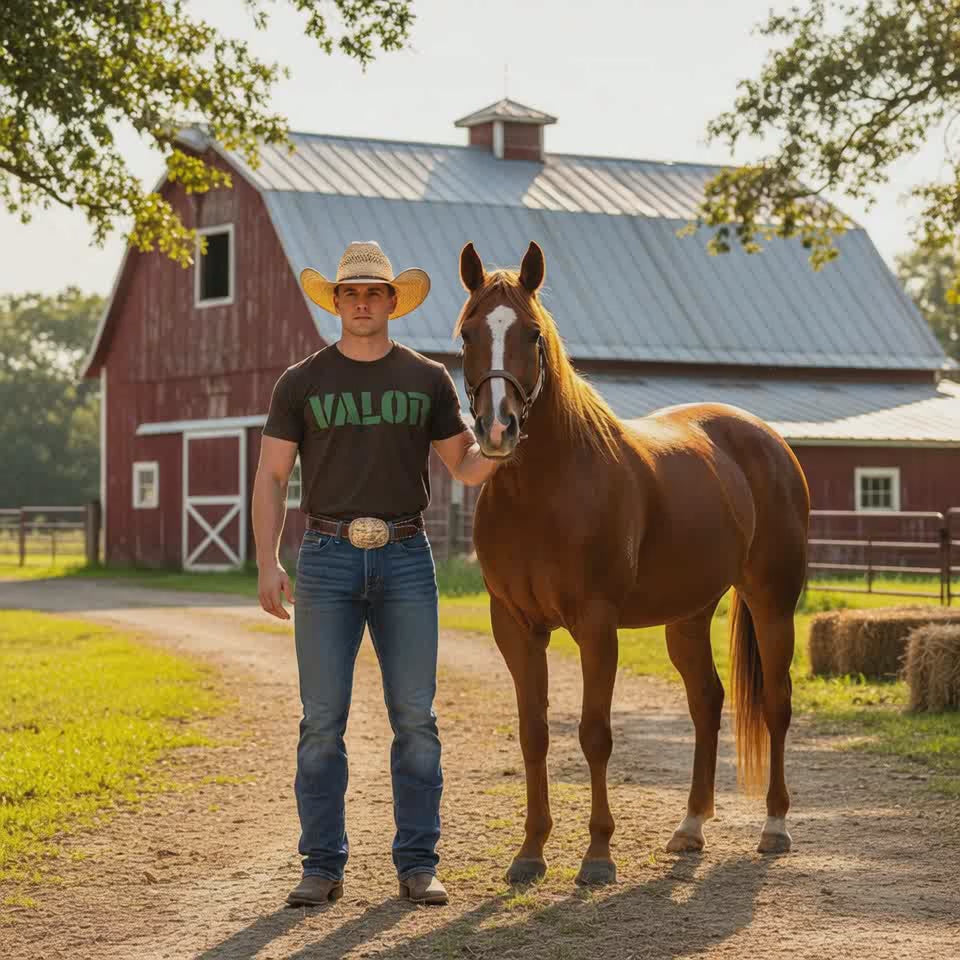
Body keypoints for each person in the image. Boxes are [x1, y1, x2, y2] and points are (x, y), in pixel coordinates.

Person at [252, 241, 498, 907]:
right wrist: (268, 561)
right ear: (335, 301)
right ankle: (321, 866)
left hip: (406, 557)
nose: (362, 303)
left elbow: (464, 464)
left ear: (393, 301)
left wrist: (502, 445)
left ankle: (418, 864)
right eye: (350, 293)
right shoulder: (300, 382)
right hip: (326, 558)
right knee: (321, 720)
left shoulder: (425, 378)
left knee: (416, 718)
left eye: (374, 293)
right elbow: (272, 476)